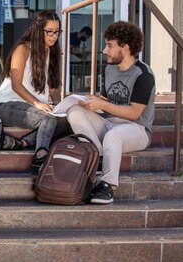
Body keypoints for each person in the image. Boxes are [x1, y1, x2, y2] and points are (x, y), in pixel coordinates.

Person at [66, 21, 155, 204]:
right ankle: (98, 156)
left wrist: (103, 105)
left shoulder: (143, 74)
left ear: (126, 47)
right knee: (74, 111)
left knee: (113, 136)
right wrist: (91, 102)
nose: (105, 51)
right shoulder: (109, 69)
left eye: (110, 46)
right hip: (110, 123)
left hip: (137, 129)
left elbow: (134, 113)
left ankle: (106, 186)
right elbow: (108, 101)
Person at [0, 10, 71, 174]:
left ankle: (22, 143)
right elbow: (16, 85)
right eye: (49, 31)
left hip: (35, 107)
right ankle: (40, 156)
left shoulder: (53, 52)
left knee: (69, 121)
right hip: (8, 105)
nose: (54, 36)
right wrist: (37, 103)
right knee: (48, 119)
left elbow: (54, 88)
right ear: (38, 29)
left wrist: (60, 107)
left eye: (57, 32)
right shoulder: (23, 49)